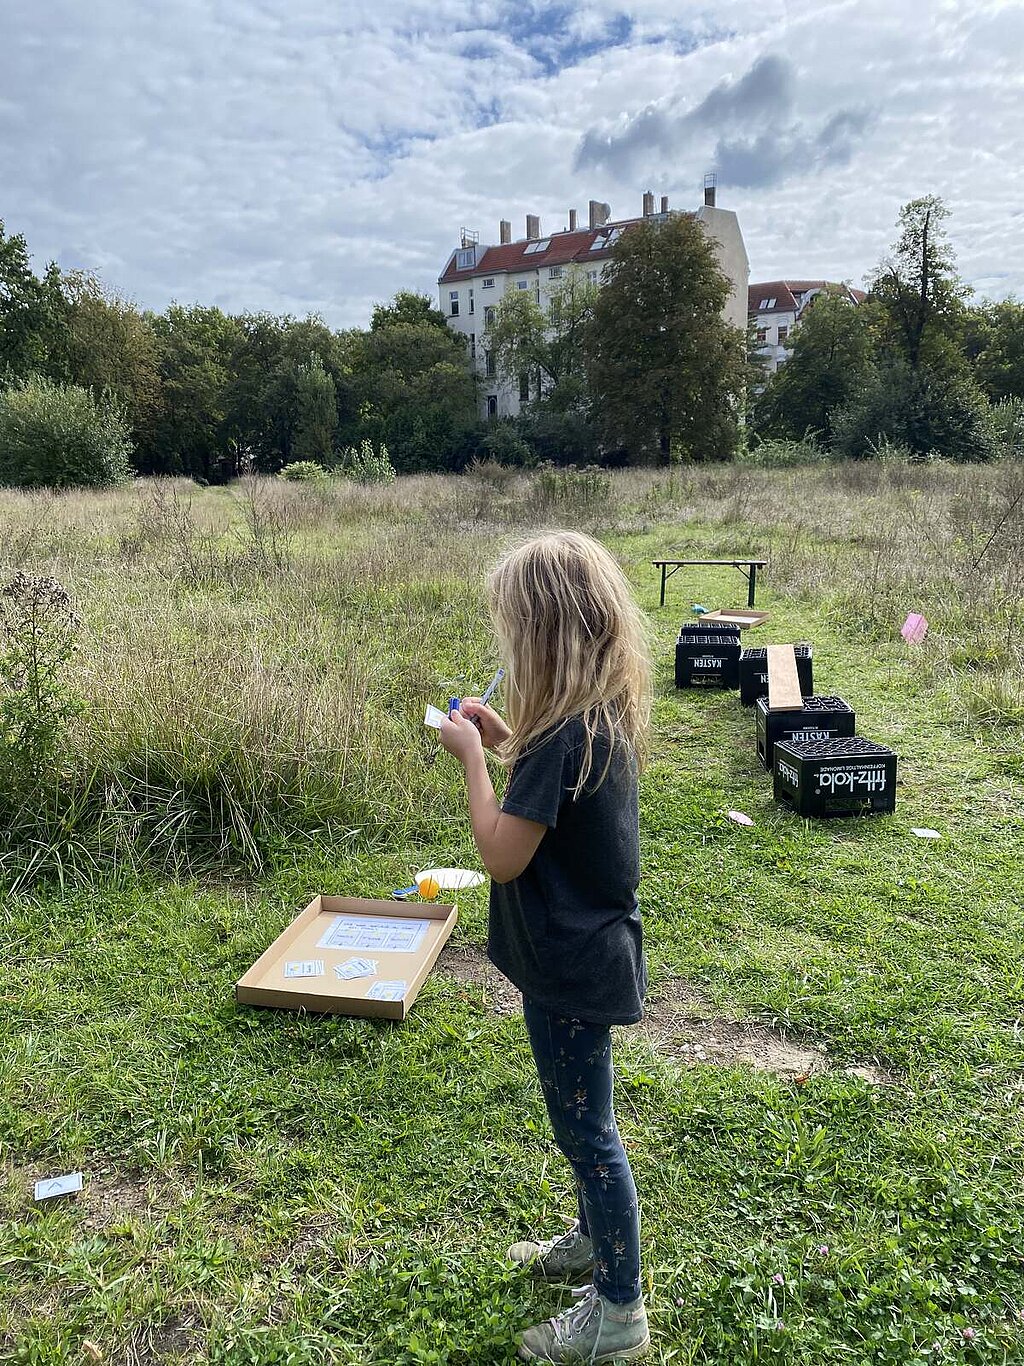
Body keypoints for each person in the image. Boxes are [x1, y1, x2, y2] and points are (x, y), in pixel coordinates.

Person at [440, 530, 652, 1364]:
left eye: (512, 632)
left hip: (566, 967)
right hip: (584, 953)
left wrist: (470, 763)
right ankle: (594, 1244)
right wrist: (501, 742)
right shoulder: (590, 720)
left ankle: (619, 1315)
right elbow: (551, 802)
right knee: (580, 1125)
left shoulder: (560, 737)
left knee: (588, 1135)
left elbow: (500, 852)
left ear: (543, 636)